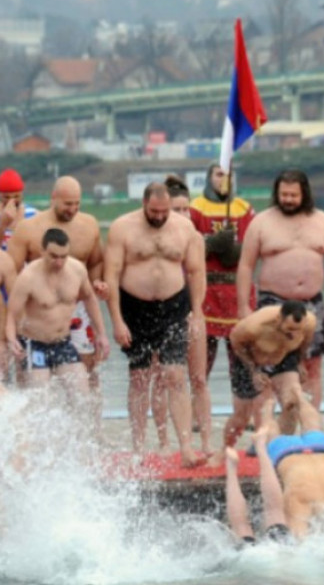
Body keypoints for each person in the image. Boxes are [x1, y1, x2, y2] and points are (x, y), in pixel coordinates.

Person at [105, 183, 206, 467]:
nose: (160, 217)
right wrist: (117, 321)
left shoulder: (184, 228)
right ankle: (138, 448)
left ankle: (185, 448)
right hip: (134, 307)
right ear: (144, 204)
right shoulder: (122, 228)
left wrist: (197, 312)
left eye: (165, 211)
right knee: (140, 378)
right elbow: (111, 275)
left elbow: (196, 272)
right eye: (154, 211)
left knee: (175, 375)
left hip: (174, 307)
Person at [237, 170, 324, 410]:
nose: (288, 199)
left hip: (311, 303)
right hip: (272, 303)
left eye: (293, 195)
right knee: (266, 364)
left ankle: (310, 423)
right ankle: (267, 425)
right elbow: (246, 265)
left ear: (304, 194)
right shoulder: (261, 222)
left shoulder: (323, 221)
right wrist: (243, 306)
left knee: (312, 366)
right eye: (284, 194)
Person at [7, 176, 107, 424]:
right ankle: (31, 432)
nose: (72, 209)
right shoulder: (29, 229)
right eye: (67, 204)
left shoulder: (88, 226)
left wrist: (97, 282)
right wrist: (13, 329)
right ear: (53, 199)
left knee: (86, 374)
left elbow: (96, 264)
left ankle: (88, 432)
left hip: (74, 307)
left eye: (77, 203)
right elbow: (10, 272)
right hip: (38, 310)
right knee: (37, 387)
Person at [5, 228, 109, 404]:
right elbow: (11, 315)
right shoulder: (28, 277)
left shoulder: (77, 269)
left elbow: (89, 298)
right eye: (54, 256)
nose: (59, 262)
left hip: (63, 342)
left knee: (82, 396)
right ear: (42, 251)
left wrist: (101, 334)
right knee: (40, 400)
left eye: (63, 256)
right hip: (34, 345)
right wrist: (11, 339)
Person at [146, 177, 213, 454]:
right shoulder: (154, 238)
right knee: (162, 378)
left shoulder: (194, 237)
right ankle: (164, 441)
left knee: (198, 378)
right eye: (178, 209)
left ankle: (206, 442)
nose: (184, 214)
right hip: (160, 312)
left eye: (187, 209)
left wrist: (196, 312)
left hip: (190, 309)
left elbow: (200, 277)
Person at [206, 300, 315, 467]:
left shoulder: (309, 323)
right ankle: (225, 449)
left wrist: (300, 363)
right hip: (250, 358)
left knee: (292, 403)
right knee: (241, 417)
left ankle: (281, 450)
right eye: (289, 329)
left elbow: (305, 342)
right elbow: (236, 343)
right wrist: (254, 370)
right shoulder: (253, 326)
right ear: (278, 319)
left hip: (283, 356)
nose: (293, 334)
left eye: (297, 330)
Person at [189, 165, 255, 429]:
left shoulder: (243, 209)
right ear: (209, 178)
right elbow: (187, 248)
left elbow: (252, 245)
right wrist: (211, 244)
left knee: (242, 358)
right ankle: (196, 415)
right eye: (218, 174)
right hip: (206, 291)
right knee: (200, 359)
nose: (223, 179)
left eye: (228, 174)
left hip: (237, 291)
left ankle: (244, 415)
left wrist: (236, 250)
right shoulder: (196, 208)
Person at [257, 391, 324, 539]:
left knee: (313, 426)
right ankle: (274, 407)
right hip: (288, 455)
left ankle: (290, 399)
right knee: (273, 434)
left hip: (320, 451)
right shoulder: (305, 498)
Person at [0, 168, 37, 251]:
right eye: (6, 197)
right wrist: (3, 224)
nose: (12, 201)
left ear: (22, 195)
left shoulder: (33, 214)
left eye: (16, 196)